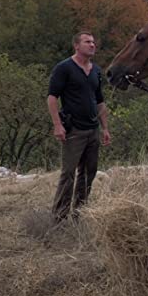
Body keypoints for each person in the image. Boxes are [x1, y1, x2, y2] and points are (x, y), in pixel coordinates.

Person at [48, 31, 111, 221]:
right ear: (76, 45)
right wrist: (57, 125)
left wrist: (105, 128)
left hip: (92, 129)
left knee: (88, 173)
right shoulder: (64, 68)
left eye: (93, 42)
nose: (92, 45)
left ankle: (79, 213)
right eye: (87, 42)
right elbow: (52, 99)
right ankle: (59, 217)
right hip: (74, 129)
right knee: (68, 174)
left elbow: (99, 101)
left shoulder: (96, 71)